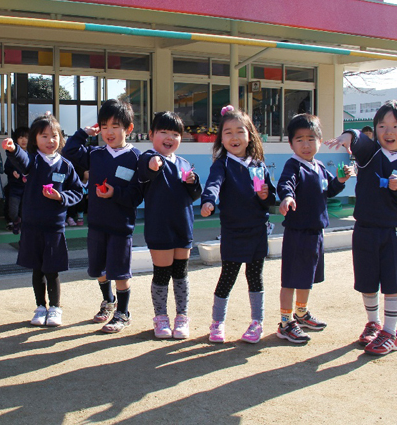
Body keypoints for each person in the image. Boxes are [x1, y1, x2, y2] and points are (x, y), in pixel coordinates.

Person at [326, 100, 397, 355]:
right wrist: (347, 136)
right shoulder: (370, 155)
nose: (388, 132)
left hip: (394, 231)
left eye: (395, 126)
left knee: (393, 284)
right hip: (365, 229)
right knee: (367, 281)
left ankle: (391, 333)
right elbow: (358, 138)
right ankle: (374, 323)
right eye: (382, 126)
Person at [62, 99, 143, 333]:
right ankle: (108, 302)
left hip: (121, 226)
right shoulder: (95, 154)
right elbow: (70, 151)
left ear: (128, 128)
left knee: (120, 271)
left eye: (115, 126)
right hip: (96, 224)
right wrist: (83, 133)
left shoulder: (136, 158)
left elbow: (137, 195)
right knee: (98, 269)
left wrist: (114, 193)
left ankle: (123, 313)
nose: (109, 132)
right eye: (104, 126)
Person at [200, 106, 276, 344]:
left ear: (250, 135)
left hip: (257, 230)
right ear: (221, 139)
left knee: (255, 277)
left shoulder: (258, 164)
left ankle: (257, 323)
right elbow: (213, 184)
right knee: (228, 276)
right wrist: (208, 201)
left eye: (239, 131)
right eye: (228, 132)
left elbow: (269, 195)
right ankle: (217, 323)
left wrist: (266, 195)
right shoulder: (222, 164)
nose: (234, 137)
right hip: (233, 231)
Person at [276, 114, 352, 343]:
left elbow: (328, 190)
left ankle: (301, 313)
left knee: (307, 277)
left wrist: (340, 180)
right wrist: (287, 197)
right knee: (291, 278)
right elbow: (285, 184)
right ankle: (285, 321)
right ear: (291, 144)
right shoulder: (294, 165)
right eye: (299, 139)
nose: (306, 144)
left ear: (320, 140)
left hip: (316, 231)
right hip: (297, 231)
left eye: (311, 138)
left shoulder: (318, 166)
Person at [1, 114, 83, 327]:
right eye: (44, 136)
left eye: (54, 136)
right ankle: (40, 306)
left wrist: (61, 197)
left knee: (51, 269)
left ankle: (55, 307)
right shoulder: (34, 161)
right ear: (34, 139)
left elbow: (78, 191)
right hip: (32, 226)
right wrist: (12, 149)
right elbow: (22, 160)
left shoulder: (65, 165)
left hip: (54, 227)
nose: (50, 141)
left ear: (61, 138)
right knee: (37, 269)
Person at [139, 111, 201, 339]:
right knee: (162, 274)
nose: (169, 137)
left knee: (181, 274)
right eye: (163, 132)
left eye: (175, 134)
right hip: (159, 227)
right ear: (151, 134)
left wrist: (194, 182)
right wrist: (152, 164)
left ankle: (182, 317)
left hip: (183, 226)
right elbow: (145, 167)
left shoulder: (184, 163)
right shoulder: (148, 157)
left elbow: (193, 195)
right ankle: (161, 318)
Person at [4, 127, 29, 234]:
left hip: (27, 189)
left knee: (25, 211)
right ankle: (16, 221)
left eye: (26, 137)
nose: (24, 140)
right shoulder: (12, 153)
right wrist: (12, 173)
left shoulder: (32, 154)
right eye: (20, 137)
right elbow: (7, 168)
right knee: (13, 211)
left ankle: (21, 227)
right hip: (14, 188)